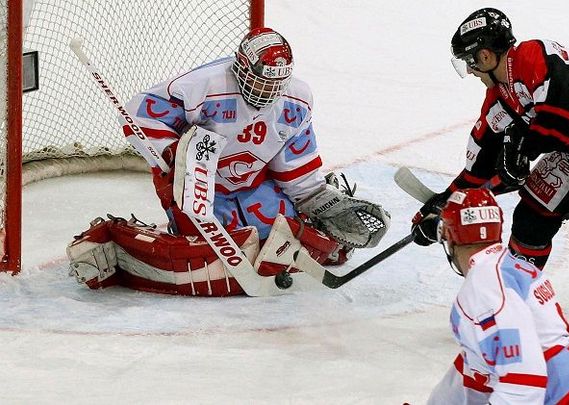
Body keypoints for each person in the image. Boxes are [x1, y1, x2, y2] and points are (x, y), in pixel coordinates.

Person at [412, 8, 569, 388]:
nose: (469, 71)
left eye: (470, 61)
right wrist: (443, 207)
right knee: (531, 218)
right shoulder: (499, 99)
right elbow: (479, 171)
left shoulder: (538, 55)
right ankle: (517, 313)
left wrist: (522, 146)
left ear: (485, 55)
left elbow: (566, 118)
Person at [66, 27, 390, 296]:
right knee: (207, 259)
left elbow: (295, 163)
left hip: (254, 182)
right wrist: (174, 157)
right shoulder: (202, 86)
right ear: (242, 67)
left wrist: (316, 199)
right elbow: (142, 114)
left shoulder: (297, 100)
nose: (268, 90)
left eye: (276, 82)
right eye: (262, 80)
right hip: (198, 184)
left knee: (283, 241)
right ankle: (119, 245)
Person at [426, 188, 569, 404]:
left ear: (449, 237)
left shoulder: (485, 283)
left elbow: (524, 382)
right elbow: (474, 373)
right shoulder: (511, 267)